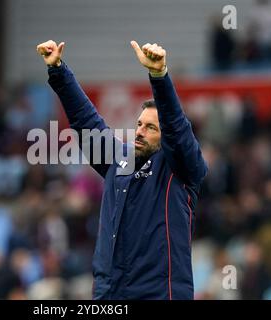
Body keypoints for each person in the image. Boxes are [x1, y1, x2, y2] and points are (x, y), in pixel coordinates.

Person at [36, 40, 208, 300]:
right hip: (109, 292)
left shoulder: (182, 168)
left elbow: (176, 127)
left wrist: (159, 76)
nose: (139, 131)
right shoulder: (120, 160)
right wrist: (58, 70)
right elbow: (86, 121)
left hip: (159, 294)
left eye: (151, 127)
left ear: (167, 137)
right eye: (139, 124)